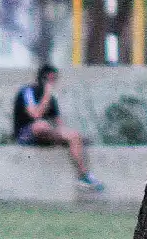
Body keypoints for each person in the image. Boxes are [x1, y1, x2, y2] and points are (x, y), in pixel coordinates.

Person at [13, 63, 103, 191]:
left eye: (54, 80)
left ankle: (84, 176)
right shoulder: (28, 92)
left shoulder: (52, 100)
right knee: (41, 125)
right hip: (25, 134)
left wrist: (69, 136)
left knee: (74, 136)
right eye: (49, 79)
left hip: (46, 135)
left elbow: (59, 124)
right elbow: (36, 114)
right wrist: (47, 94)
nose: (52, 83)